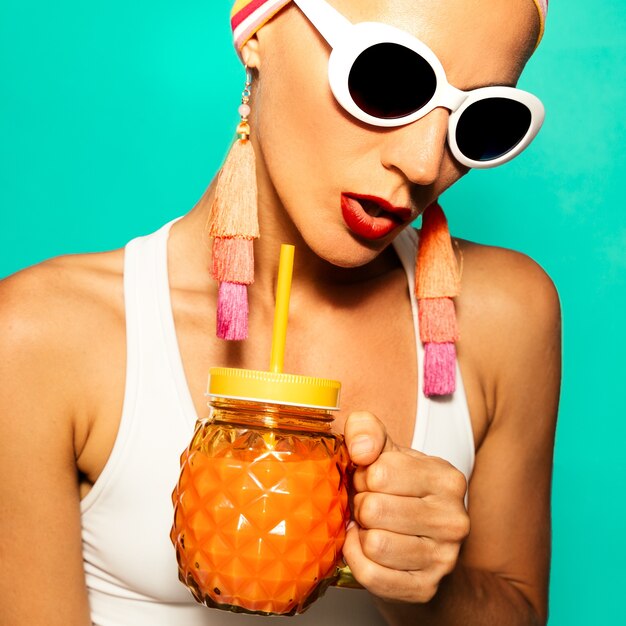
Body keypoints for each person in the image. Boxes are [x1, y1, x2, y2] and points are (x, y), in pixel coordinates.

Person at [0, 0, 560, 624]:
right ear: (259, 32)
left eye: (481, 121)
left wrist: (428, 583)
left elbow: (518, 607)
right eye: (390, 80)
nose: (425, 163)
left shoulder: (504, 315)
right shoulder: (39, 338)